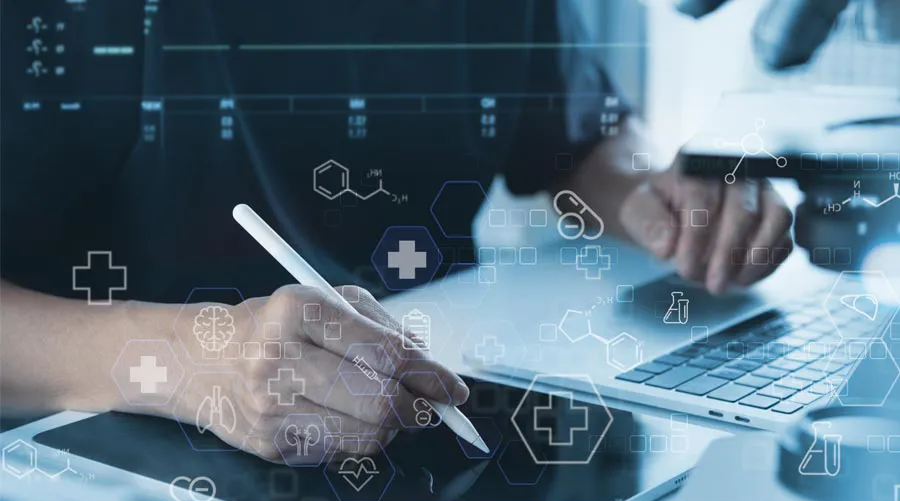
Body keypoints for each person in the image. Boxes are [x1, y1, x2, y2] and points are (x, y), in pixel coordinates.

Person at [0, 0, 792, 462]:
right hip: (126, 468)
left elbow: (577, 137)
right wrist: (187, 361)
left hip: (428, 434)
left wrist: (667, 196)